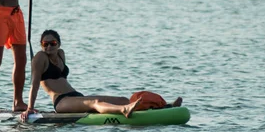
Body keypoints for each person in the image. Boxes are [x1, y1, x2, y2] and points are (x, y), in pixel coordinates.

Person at [21, 30, 183, 120]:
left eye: (52, 43)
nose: (49, 47)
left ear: (59, 44)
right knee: (95, 102)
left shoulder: (61, 54)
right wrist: (30, 108)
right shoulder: (40, 58)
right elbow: (34, 84)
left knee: (122, 99)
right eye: (45, 44)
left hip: (75, 96)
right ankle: (124, 110)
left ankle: (165, 107)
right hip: (61, 102)